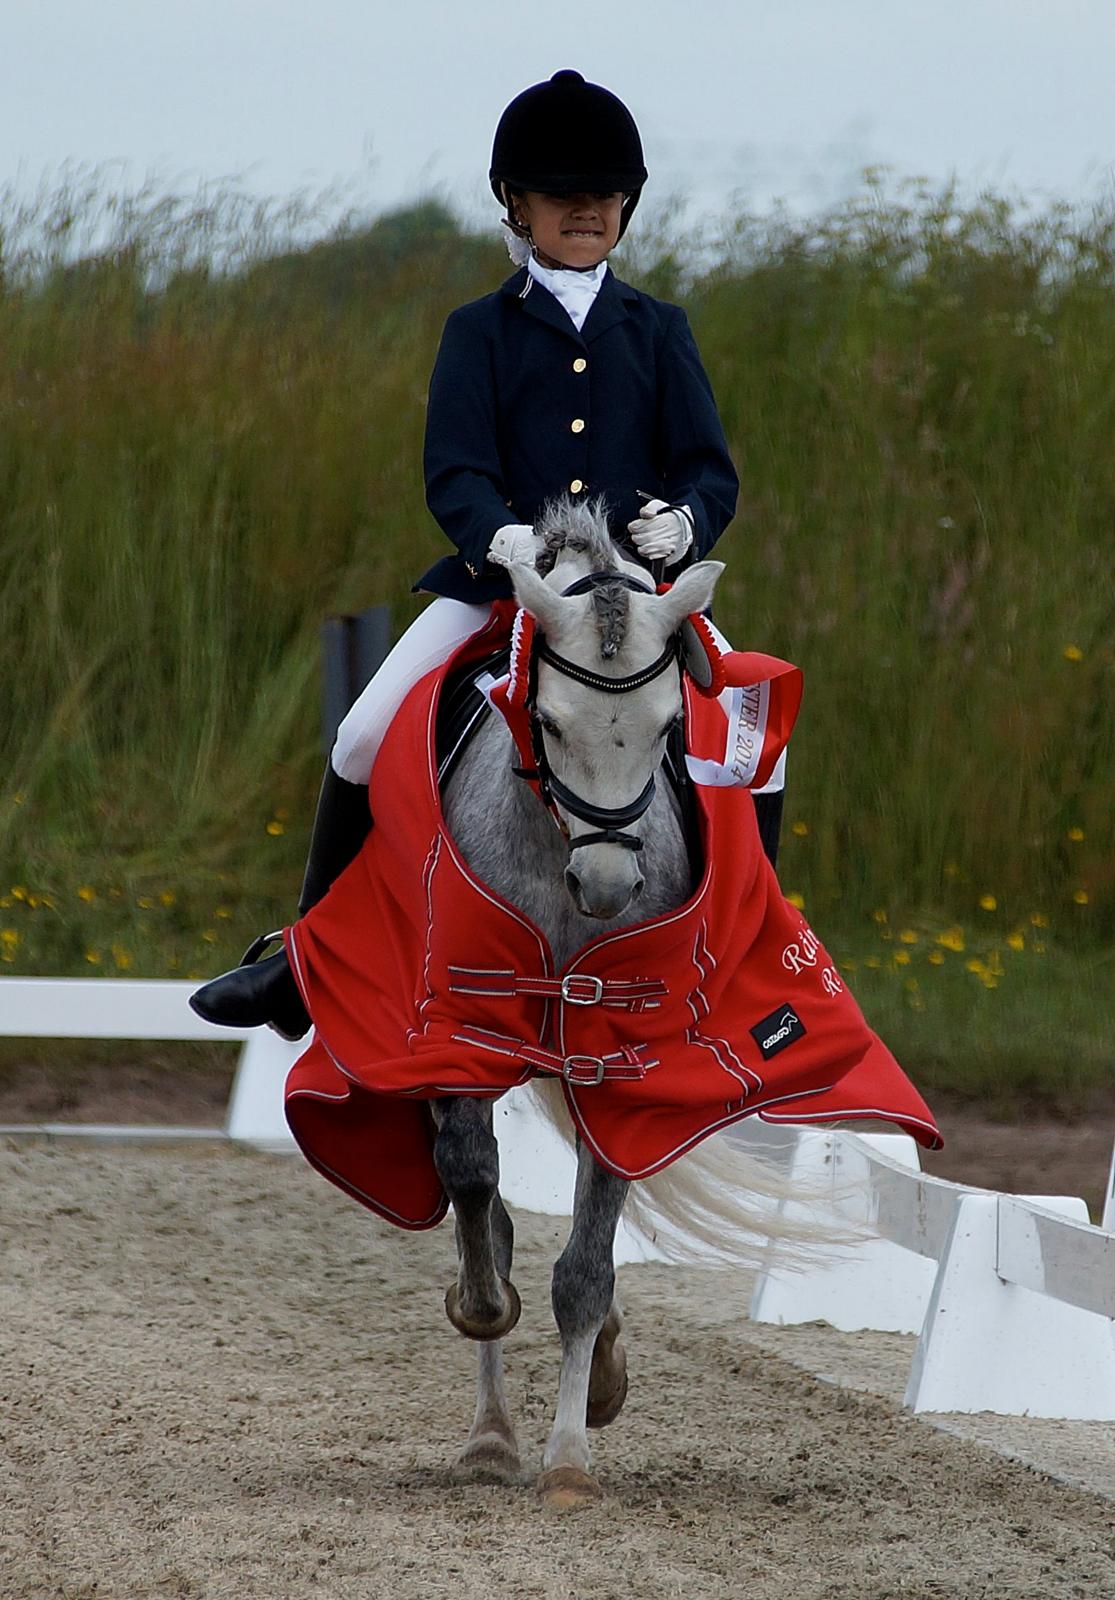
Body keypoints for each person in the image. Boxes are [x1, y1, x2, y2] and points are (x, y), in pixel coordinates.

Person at [191, 68, 741, 1039]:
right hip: (499, 586)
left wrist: (687, 523)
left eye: (603, 197)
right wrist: (497, 534)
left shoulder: (659, 331)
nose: (585, 211)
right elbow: (453, 470)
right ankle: (303, 963)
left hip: (630, 597)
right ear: (515, 206)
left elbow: (707, 467)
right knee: (361, 735)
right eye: (562, 197)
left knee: (744, 730)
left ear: (625, 206)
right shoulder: (478, 332)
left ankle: (745, 963)